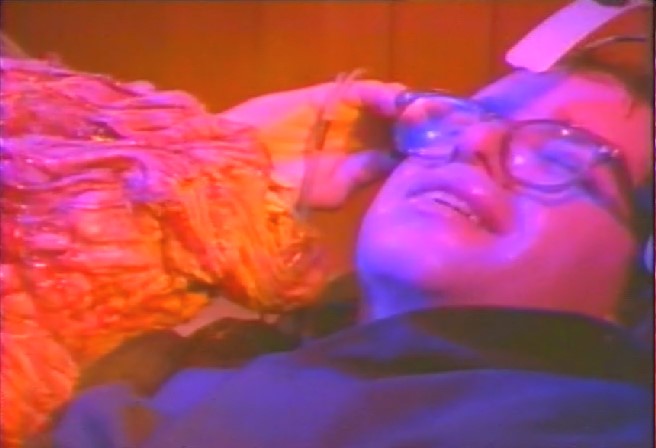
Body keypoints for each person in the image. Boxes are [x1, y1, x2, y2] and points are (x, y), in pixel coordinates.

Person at [25, 26, 655, 448]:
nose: (477, 141)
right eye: (468, 116)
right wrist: (200, 178)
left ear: (633, 284)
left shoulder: (590, 427)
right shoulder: (210, 353)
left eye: (558, 154)